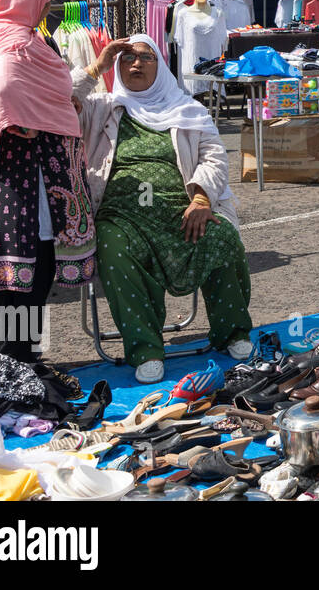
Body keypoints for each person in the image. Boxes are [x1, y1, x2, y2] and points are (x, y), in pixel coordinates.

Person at [74, 35, 253, 383]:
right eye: (126, 59)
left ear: (161, 65)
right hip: (121, 216)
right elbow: (58, 102)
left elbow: (214, 156)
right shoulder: (101, 108)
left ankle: (232, 331)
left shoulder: (188, 109)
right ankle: (145, 348)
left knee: (221, 236)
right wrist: (97, 66)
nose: (135, 64)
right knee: (113, 248)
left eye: (145, 57)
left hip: (183, 211)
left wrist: (201, 198)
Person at [0, 0, 97, 362]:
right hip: (29, 171)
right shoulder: (17, 41)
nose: (49, 5)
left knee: (14, 267)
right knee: (32, 264)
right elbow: (4, 88)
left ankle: (10, 355)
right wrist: (25, 121)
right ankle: (18, 360)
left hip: (6, 172)